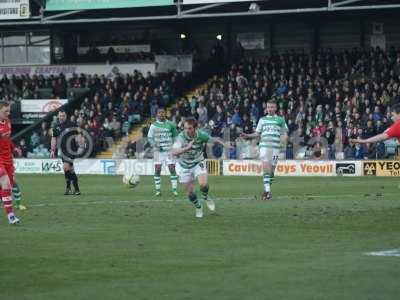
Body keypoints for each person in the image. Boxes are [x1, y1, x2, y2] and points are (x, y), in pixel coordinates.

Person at [171, 117, 232, 218]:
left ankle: (205, 196)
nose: (187, 130)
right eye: (185, 128)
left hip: (198, 162)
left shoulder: (201, 135)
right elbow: (173, 152)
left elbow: (214, 139)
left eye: (190, 128)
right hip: (184, 166)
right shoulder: (180, 138)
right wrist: (187, 148)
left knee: (203, 184)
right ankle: (198, 206)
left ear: (195, 128)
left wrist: (225, 144)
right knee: (190, 193)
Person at [241, 100, 288, 201]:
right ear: (266, 108)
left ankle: (267, 190)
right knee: (266, 167)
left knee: (271, 172)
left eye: (272, 107)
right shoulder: (262, 119)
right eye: (268, 107)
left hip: (276, 148)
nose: (270, 109)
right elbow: (257, 133)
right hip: (264, 146)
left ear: (275, 108)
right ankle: (267, 191)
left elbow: (284, 134)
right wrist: (247, 135)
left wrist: (283, 143)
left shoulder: (280, 120)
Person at [147, 107, 179, 196]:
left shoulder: (171, 124)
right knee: (157, 169)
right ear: (157, 114)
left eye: (163, 112)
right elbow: (149, 138)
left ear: (165, 113)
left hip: (169, 150)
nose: (161, 114)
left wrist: (175, 147)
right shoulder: (153, 126)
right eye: (159, 113)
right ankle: (158, 191)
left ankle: (174, 190)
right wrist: (155, 145)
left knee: (172, 168)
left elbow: (176, 137)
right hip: (158, 151)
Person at [51, 110, 81, 195]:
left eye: (63, 116)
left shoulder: (71, 124)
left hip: (72, 150)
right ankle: (75, 189)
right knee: (69, 169)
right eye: (60, 116)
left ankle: (69, 188)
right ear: (58, 116)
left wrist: (81, 144)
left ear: (66, 116)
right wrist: (52, 150)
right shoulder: (55, 126)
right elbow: (54, 138)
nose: (62, 117)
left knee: (66, 166)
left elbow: (78, 135)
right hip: (63, 150)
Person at [0, 101, 20, 224]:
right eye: (5, 111)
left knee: (9, 185)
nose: (8, 113)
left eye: (9, 111)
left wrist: (14, 148)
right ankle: (11, 216)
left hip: (8, 159)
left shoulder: (7, 122)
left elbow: (7, 140)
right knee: (5, 182)